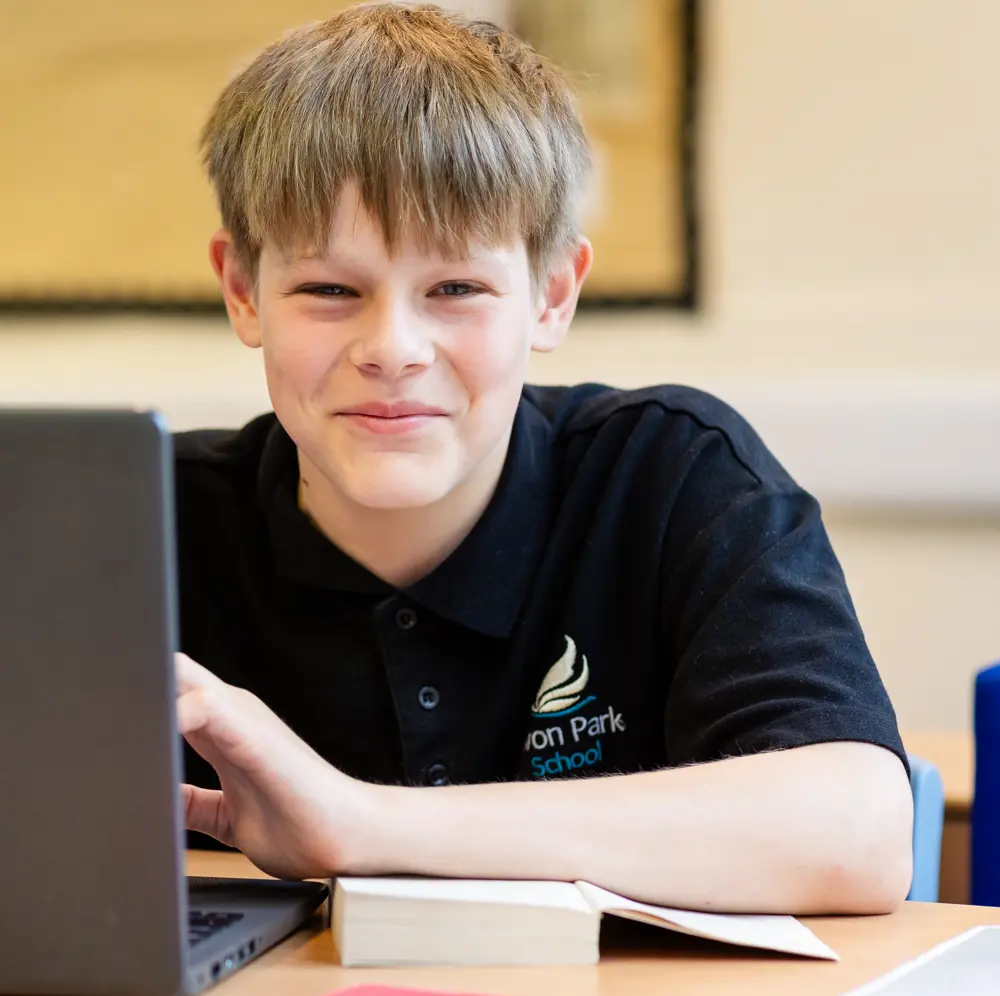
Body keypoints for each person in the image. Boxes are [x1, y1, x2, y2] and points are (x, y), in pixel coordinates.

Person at [175, 1, 913, 914]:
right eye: (329, 288)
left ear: (552, 294)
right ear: (243, 291)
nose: (394, 347)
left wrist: (356, 823)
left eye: (456, 288)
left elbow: (859, 835)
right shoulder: (138, 521)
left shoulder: (673, 476)